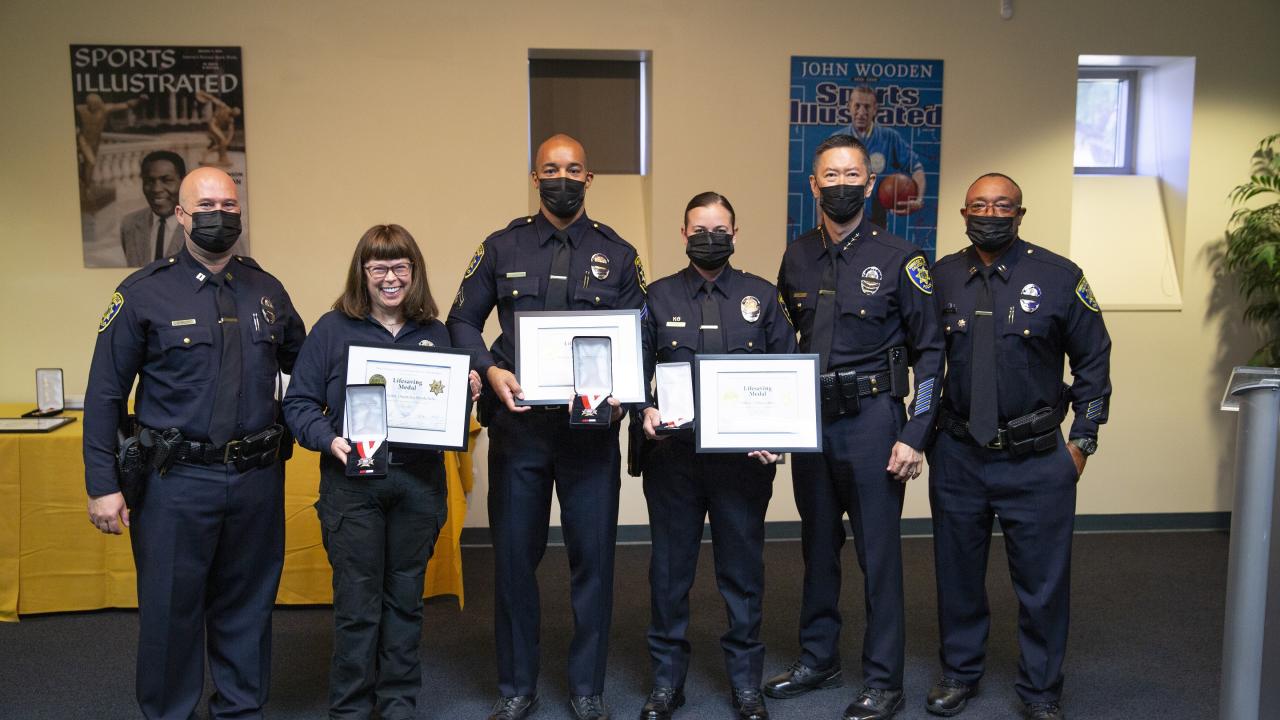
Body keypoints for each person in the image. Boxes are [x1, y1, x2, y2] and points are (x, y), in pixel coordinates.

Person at [84, 166, 305, 720]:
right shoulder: (142, 293)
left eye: (229, 206)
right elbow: (104, 395)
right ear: (181, 215)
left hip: (255, 478)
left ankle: (239, 709)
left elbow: (307, 365)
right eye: (205, 206)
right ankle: (168, 713)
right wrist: (102, 485)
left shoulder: (266, 288)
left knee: (248, 608)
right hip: (175, 484)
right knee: (169, 613)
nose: (219, 216)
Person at [447, 133, 647, 720]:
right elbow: (461, 319)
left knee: (595, 563)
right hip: (521, 431)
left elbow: (641, 336)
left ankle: (588, 688)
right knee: (512, 560)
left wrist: (625, 397)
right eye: (551, 169)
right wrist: (488, 368)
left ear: (589, 180)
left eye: (574, 169)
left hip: (591, 436)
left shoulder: (621, 253)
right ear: (536, 179)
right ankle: (516, 686)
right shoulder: (500, 247)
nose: (562, 177)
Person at [768, 133, 944, 720]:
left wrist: (914, 434)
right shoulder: (795, 256)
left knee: (878, 555)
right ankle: (819, 658)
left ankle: (883, 680)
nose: (841, 185)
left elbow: (932, 354)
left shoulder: (902, 259)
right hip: (812, 424)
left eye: (852, 176)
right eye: (830, 176)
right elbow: (784, 341)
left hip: (875, 423)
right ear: (812, 185)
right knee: (817, 548)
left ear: (869, 185)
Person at [924, 174, 1111, 720]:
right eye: (980, 204)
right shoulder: (939, 279)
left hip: (1035, 456)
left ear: (1020, 213)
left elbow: (1095, 360)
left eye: (1002, 205)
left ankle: (1040, 690)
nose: (990, 213)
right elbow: (924, 357)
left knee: (1042, 583)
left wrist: (1081, 441)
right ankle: (959, 673)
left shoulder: (1058, 276)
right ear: (963, 212)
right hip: (958, 452)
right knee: (956, 574)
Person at [282, 224, 481, 720]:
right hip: (352, 487)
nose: (389, 278)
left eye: (399, 267)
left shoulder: (437, 334)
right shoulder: (331, 330)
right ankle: (349, 708)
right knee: (357, 605)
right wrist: (330, 440)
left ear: (414, 273)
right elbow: (299, 403)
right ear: (362, 273)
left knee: (405, 602)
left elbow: (443, 419)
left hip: (417, 486)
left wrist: (466, 393)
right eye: (378, 268)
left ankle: (396, 705)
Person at [635, 192, 796, 720]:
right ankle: (665, 684)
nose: (710, 237)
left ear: (735, 232)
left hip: (741, 465)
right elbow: (632, 375)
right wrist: (643, 411)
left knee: (743, 575)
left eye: (719, 228)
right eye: (699, 229)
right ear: (683, 235)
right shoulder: (655, 298)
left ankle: (746, 684)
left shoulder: (762, 297)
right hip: (674, 462)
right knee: (669, 574)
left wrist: (778, 432)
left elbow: (787, 374)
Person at [830, 86, 927, 226]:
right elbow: (824, 185)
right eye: (857, 106)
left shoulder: (890, 137)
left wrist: (918, 199)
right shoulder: (836, 140)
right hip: (842, 221)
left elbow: (917, 169)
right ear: (849, 106)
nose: (861, 112)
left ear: (875, 109)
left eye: (867, 107)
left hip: (876, 222)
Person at [121, 150, 188, 266]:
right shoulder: (129, 224)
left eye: (166, 180)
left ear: (184, 182)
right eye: (149, 181)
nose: (156, 189)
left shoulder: (199, 227)